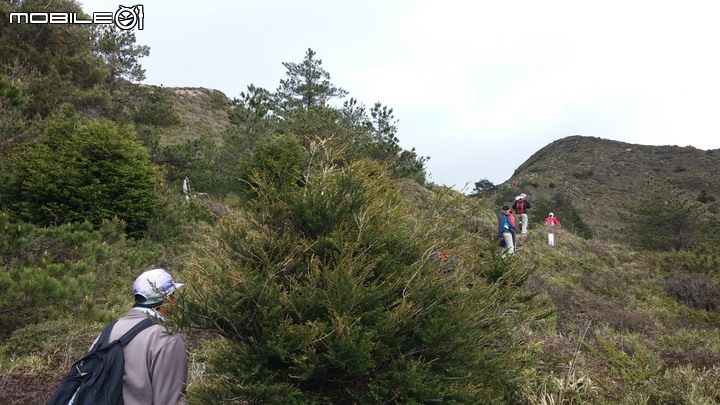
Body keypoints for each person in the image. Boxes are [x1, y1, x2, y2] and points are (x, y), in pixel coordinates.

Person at [90, 268, 189, 405]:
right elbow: (170, 400)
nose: (175, 301)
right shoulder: (167, 337)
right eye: (173, 295)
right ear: (166, 299)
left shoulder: (108, 330)